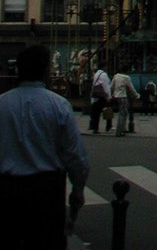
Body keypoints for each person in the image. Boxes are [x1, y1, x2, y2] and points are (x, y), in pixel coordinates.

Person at [0, 43, 89, 250]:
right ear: (45, 71)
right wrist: (77, 191)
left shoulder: (2, 103)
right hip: (46, 192)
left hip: (6, 191)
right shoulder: (58, 105)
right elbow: (76, 156)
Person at [111, 71, 139, 137]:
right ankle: (119, 131)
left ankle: (123, 128)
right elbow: (131, 87)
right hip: (123, 96)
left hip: (116, 96)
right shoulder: (126, 77)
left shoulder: (116, 76)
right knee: (122, 113)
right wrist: (136, 95)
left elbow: (111, 86)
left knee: (124, 112)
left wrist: (112, 93)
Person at [89, 60, 111, 133]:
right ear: (104, 67)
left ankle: (95, 128)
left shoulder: (96, 74)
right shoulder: (104, 75)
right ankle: (108, 126)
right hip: (102, 96)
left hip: (96, 96)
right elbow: (106, 86)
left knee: (96, 113)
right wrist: (108, 96)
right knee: (108, 110)